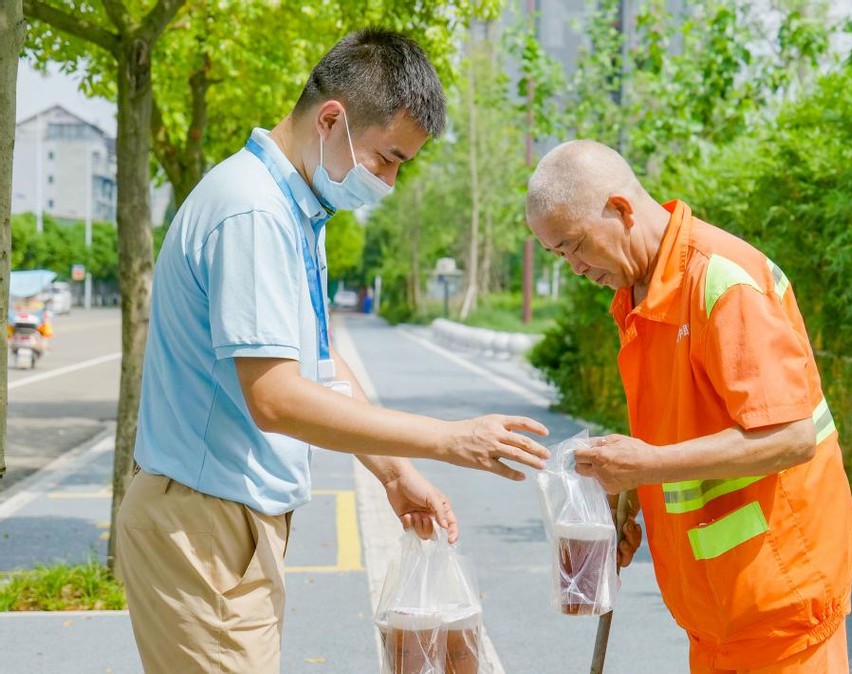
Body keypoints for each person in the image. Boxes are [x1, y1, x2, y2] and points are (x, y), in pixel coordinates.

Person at [115, 28, 550, 673]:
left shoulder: (294, 210)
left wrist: (396, 473)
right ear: (332, 119)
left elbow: (320, 364)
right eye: (387, 158)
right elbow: (276, 398)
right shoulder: (254, 214)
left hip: (225, 523)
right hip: (204, 524)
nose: (391, 182)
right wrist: (447, 438)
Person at [525, 140, 852, 674]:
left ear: (622, 209)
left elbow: (792, 435)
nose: (574, 267)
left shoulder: (719, 281)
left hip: (778, 612)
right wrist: (633, 487)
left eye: (575, 245)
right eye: (557, 255)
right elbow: (685, 428)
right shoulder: (640, 295)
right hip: (717, 614)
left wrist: (647, 465)